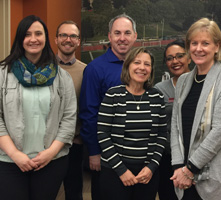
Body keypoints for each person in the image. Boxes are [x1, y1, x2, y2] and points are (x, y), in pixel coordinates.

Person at [0, 15, 76, 200]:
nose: (33, 39)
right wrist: (15, 155)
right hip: (9, 162)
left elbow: (69, 119)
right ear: (20, 39)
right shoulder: (3, 74)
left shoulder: (62, 77)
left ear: (46, 38)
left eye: (38, 33)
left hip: (51, 162)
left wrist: (49, 153)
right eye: (27, 34)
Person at [170, 18, 221, 200]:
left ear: (217, 47)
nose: (198, 48)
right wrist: (178, 166)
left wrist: (189, 170)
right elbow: (176, 126)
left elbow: (220, 132)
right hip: (183, 177)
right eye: (194, 43)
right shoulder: (184, 81)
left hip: (211, 180)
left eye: (205, 43)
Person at [79, 13, 137, 199]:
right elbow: (89, 113)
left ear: (135, 36)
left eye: (127, 33)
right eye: (117, 33)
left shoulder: (141, 67)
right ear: (109, 36)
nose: (122, 38)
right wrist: (94, 152)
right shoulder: (95, 69)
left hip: (135, 153)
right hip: (106, 155)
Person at [97, 47, 167, 200]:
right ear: (128, 66)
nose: (142, 67)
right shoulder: (113, 95)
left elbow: (162, 135)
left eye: (147, 64)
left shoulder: (157, 97)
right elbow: (103, 135)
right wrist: (122, 171)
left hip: (147, 174)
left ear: (151, 70)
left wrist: (151, 167)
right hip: (115, 172)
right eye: (137, 62)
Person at [154, 39, 191, 200]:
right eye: (169, 58)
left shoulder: (201, 84)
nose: (175, 61)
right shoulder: (159, 89)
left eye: (179, 56)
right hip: (167, 158)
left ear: (189, 57)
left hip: (194, 159)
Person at [55, 20, 87, 200]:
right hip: (44, 144)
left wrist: (80, 138)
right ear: (56, 39)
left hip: (74, 143)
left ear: (78, 41)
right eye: (63, 35)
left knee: (74, 191)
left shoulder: (86, 71)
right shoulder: (42, 68)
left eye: (73, 36)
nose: (68, 39)